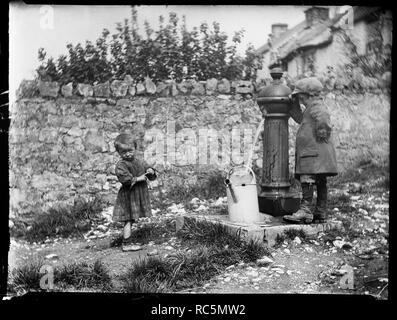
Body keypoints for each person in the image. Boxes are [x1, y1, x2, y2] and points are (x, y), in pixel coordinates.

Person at [283, 77, 338, 224]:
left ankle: (305, 210)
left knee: (307, 179)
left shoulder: (316, 106)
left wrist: (322, 131)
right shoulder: (309, 109)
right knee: (320, 181)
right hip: (314, 153)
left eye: (302, 98)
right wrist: (293, 104)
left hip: (313, 153)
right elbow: (300, 118)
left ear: (311, 95)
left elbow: (324, 118)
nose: (301, 102)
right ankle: (321, 211)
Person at [113, 133, 157, 251]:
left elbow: (147, 167)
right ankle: (126, 243)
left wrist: (150, 171)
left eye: (130, 150)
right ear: (119, 153)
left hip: (137, 194)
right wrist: (138, 179)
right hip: (129, 195)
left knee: (131, 219)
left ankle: (128, 240)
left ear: (135, 148)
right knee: (128, 219)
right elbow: (125, 179)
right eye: (124, 152)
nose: (128, 154)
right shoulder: (121, 165)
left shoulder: (139, 161)